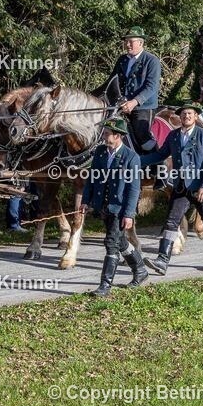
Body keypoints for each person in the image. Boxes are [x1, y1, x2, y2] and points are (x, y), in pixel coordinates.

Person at [139, 102, 203, 274]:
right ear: (180, 117)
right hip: (180, 188)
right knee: (171, 221)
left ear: (195, 117)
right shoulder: (174, 136)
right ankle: (162, 260)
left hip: (200, 187)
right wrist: (136, 161)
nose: (186, 116)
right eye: (184, 114)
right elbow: (160, 154)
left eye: (190, 114)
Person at [80, 117, 147, 296]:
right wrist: (85, 201)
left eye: (107, 133)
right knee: (121, 242)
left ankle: (105, 285)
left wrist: (129, 214)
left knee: (111, 243)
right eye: (105, 132)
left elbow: (134, 189)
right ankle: (140, 269)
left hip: (120, 208)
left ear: (118, 136)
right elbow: (91, 179)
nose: (104, 136)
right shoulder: (101, 152)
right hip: (104, 206)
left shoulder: (131, 157)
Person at [103, 26, 162, 153]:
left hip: (143, 107)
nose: (127, 44)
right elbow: (112, 82)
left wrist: (134, 102)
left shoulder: (152, 61)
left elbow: (151, 86)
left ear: (140, 43)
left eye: (131, 41)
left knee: (142, 135)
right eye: (126, 41)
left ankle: (157, 166)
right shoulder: (122, 60)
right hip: (120, 104)